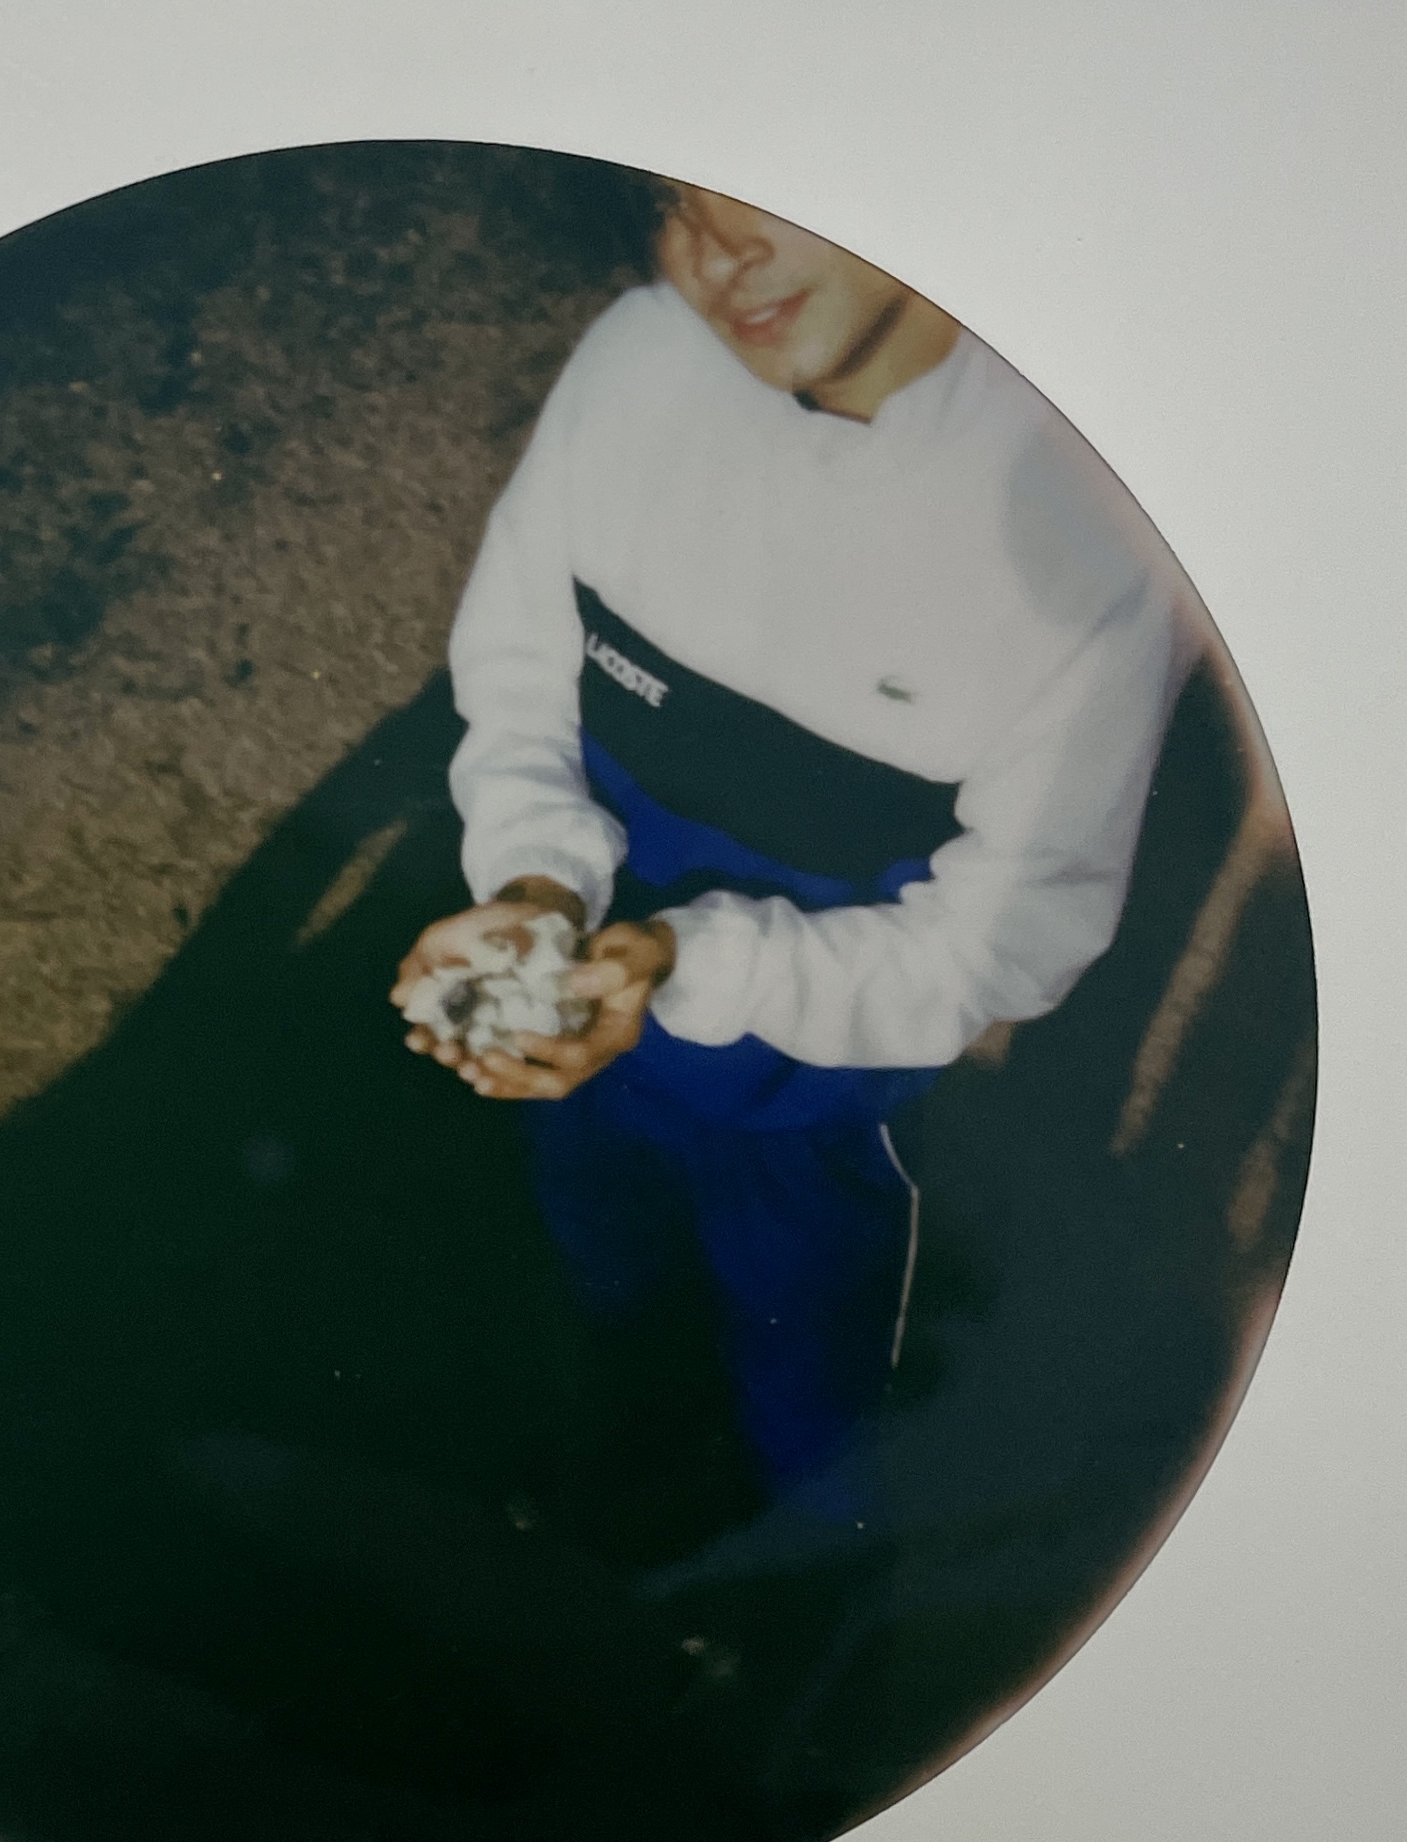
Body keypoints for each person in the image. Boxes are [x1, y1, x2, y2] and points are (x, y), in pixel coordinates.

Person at [391, 183, 1189, 1560]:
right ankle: (632, 1497)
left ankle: (804, 1619)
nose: (723, 253)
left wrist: (687, 961)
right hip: (591, 1063)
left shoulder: (1092, 534)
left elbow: (1005, 942)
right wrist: (533, 896)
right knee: (607, 1278)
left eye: (774, 189)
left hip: (812, 1109)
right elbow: (518, 685)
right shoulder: (640, 358)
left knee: (815, 1402)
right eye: (673, 204)